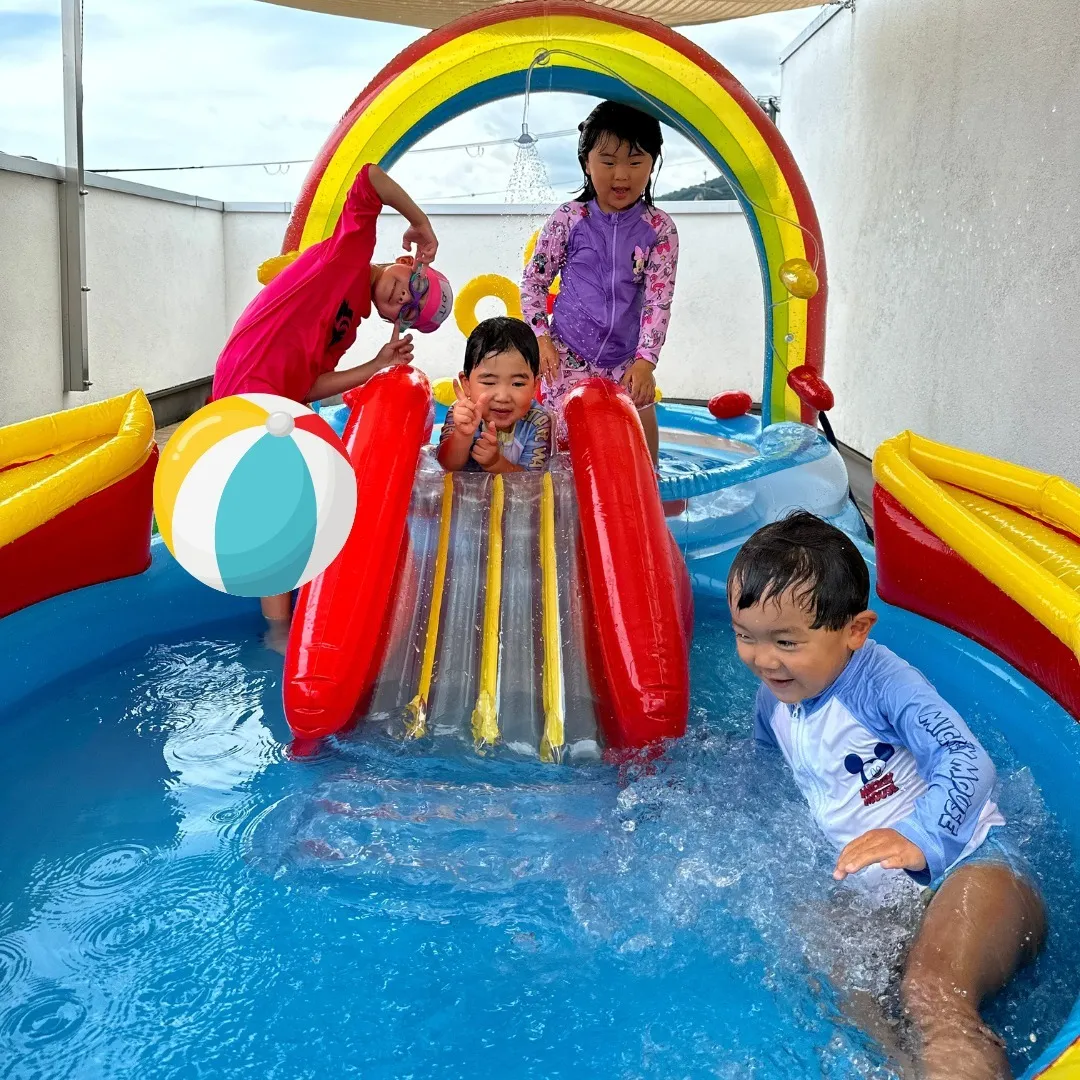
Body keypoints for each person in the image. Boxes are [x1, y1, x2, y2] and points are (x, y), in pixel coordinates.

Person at [727, 511, 1045, 1080]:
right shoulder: (774, 699)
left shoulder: (883, 685)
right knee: (826, 955)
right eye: (745, 637)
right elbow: (763, 776)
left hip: (975, 867)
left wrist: (916, 836)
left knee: (930, 991)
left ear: (854, 631)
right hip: (889, 895)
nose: (764, 659)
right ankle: (904, 1069)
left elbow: (968, 760)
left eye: (786, 642)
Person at [212, 162, 453, 642]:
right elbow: (369, 178)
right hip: (245, 392)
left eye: (407, 310)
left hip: (277, 405)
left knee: (304, 499)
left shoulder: (350, 322)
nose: (402, 295)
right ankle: (276, 630)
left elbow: (312, 385)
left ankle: (290, 612)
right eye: (413, 285)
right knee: (276, 512)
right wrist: (419, 220)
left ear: (395, 322)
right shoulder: (349, 253)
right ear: (407, 263)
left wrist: (377, 365)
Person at [520, 100, 679, 466]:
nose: (621, 175)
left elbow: (659, 301)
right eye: (608, 161)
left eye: (635, 161)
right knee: (559, 452)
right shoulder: (569, 219)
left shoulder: (659, 230)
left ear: (652, 164)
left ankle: (651, 492)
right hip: (565, 354)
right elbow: (534, 282)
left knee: (640, 434)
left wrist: (646, 362)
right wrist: (540, 338)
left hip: (625, 359)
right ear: (586, 163)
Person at [437, 316, 551, 474]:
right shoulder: (463, 414)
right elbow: (447, 466)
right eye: (489, 383)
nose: (503, 397)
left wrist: (496, 463)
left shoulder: (538, 421)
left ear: (535, 386)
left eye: (518, 384)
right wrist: (462, 435)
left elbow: (534, 484)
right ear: (467, 384)